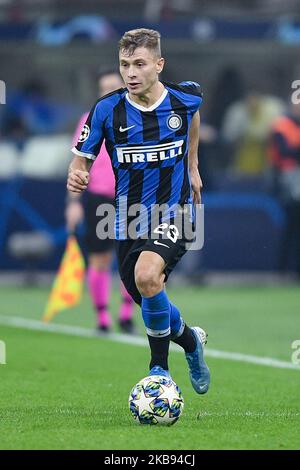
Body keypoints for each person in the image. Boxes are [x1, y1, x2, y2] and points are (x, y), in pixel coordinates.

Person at [67, 28, 210, 394]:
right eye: (125, 64)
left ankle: (158, 370)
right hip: (127, 220)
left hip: (174, 212)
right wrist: (77, 175)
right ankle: (191, 342)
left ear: (158, 65)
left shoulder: (185, 97)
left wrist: (192, 165)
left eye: (139, 64)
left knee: (149, 278)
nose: (131, 72)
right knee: (147, 294)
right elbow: (82, 159)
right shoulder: (106, 109)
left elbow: (193, 116)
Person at [65, 70, 135, 333]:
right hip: (99, 199)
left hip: (130, 197)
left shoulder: (137, 117)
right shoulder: (89, 119)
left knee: (131, 258)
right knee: (100, 258)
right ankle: (102, 317)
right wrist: (73, 203)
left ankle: (126, 314)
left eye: (112, 86)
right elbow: (79, 164)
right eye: (103, 87)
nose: (107, 92)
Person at [268, 101, 300, 278]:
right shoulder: (282, 125)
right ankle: (284, 269)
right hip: (287, 180)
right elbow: (284, 151)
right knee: (291, 226)